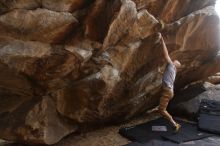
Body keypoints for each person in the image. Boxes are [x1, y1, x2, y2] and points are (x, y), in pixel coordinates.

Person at [158, 33, 181, 132]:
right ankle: (174, 123)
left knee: (161, 110)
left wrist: (162, 39)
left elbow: (166, 53)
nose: (174, 59)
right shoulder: (173, 71)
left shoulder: (172, 65)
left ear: (176, 65)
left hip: (167, 91)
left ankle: (175, 124)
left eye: (176, 61)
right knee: (161, 108)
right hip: (169, 91)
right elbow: (165, 75)